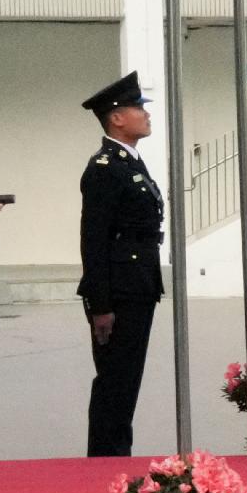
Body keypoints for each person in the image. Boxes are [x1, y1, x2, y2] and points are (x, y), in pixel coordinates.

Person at [77, 72, 167, 456]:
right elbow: (93, 239)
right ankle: (106, 458)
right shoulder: (104, 168)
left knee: (127, 379)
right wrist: (101, 305)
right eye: (137, 109)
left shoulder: (129, 162)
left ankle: (115, 454)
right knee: (115, 379)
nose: (145, 115)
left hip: (138, 281)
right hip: (118, 287)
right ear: (116, 117)